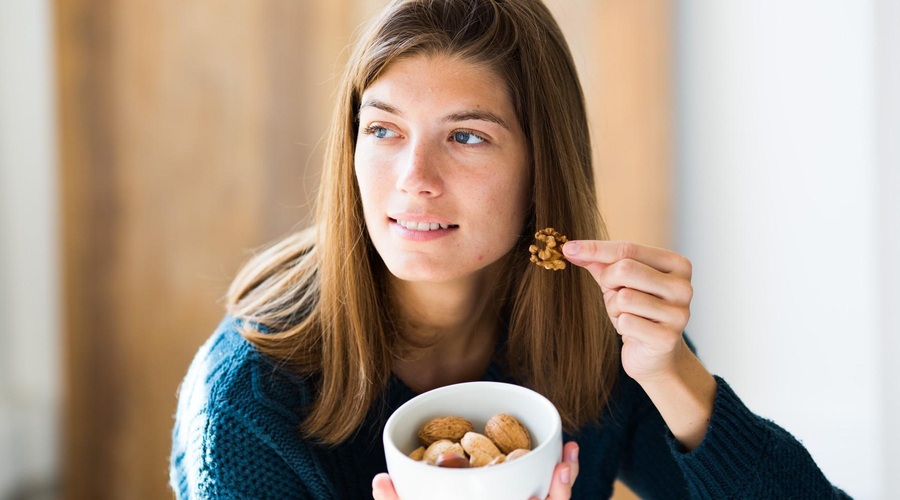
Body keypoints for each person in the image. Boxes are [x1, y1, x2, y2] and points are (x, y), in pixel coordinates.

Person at [169, 0, 850, 498]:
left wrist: (673, 373)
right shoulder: (247, 396)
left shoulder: (598, 333)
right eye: (383, 131)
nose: (414, 180)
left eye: (466, 136)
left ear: (541, 167)